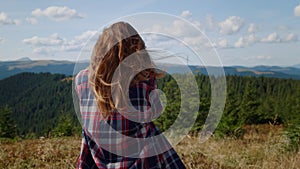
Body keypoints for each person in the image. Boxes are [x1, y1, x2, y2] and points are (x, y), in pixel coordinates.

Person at [74, 21, 186, 169]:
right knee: (151, 132)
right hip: (139, 160)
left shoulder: (81, 79)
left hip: (96, 156)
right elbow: (155, 111)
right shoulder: (142, 82)